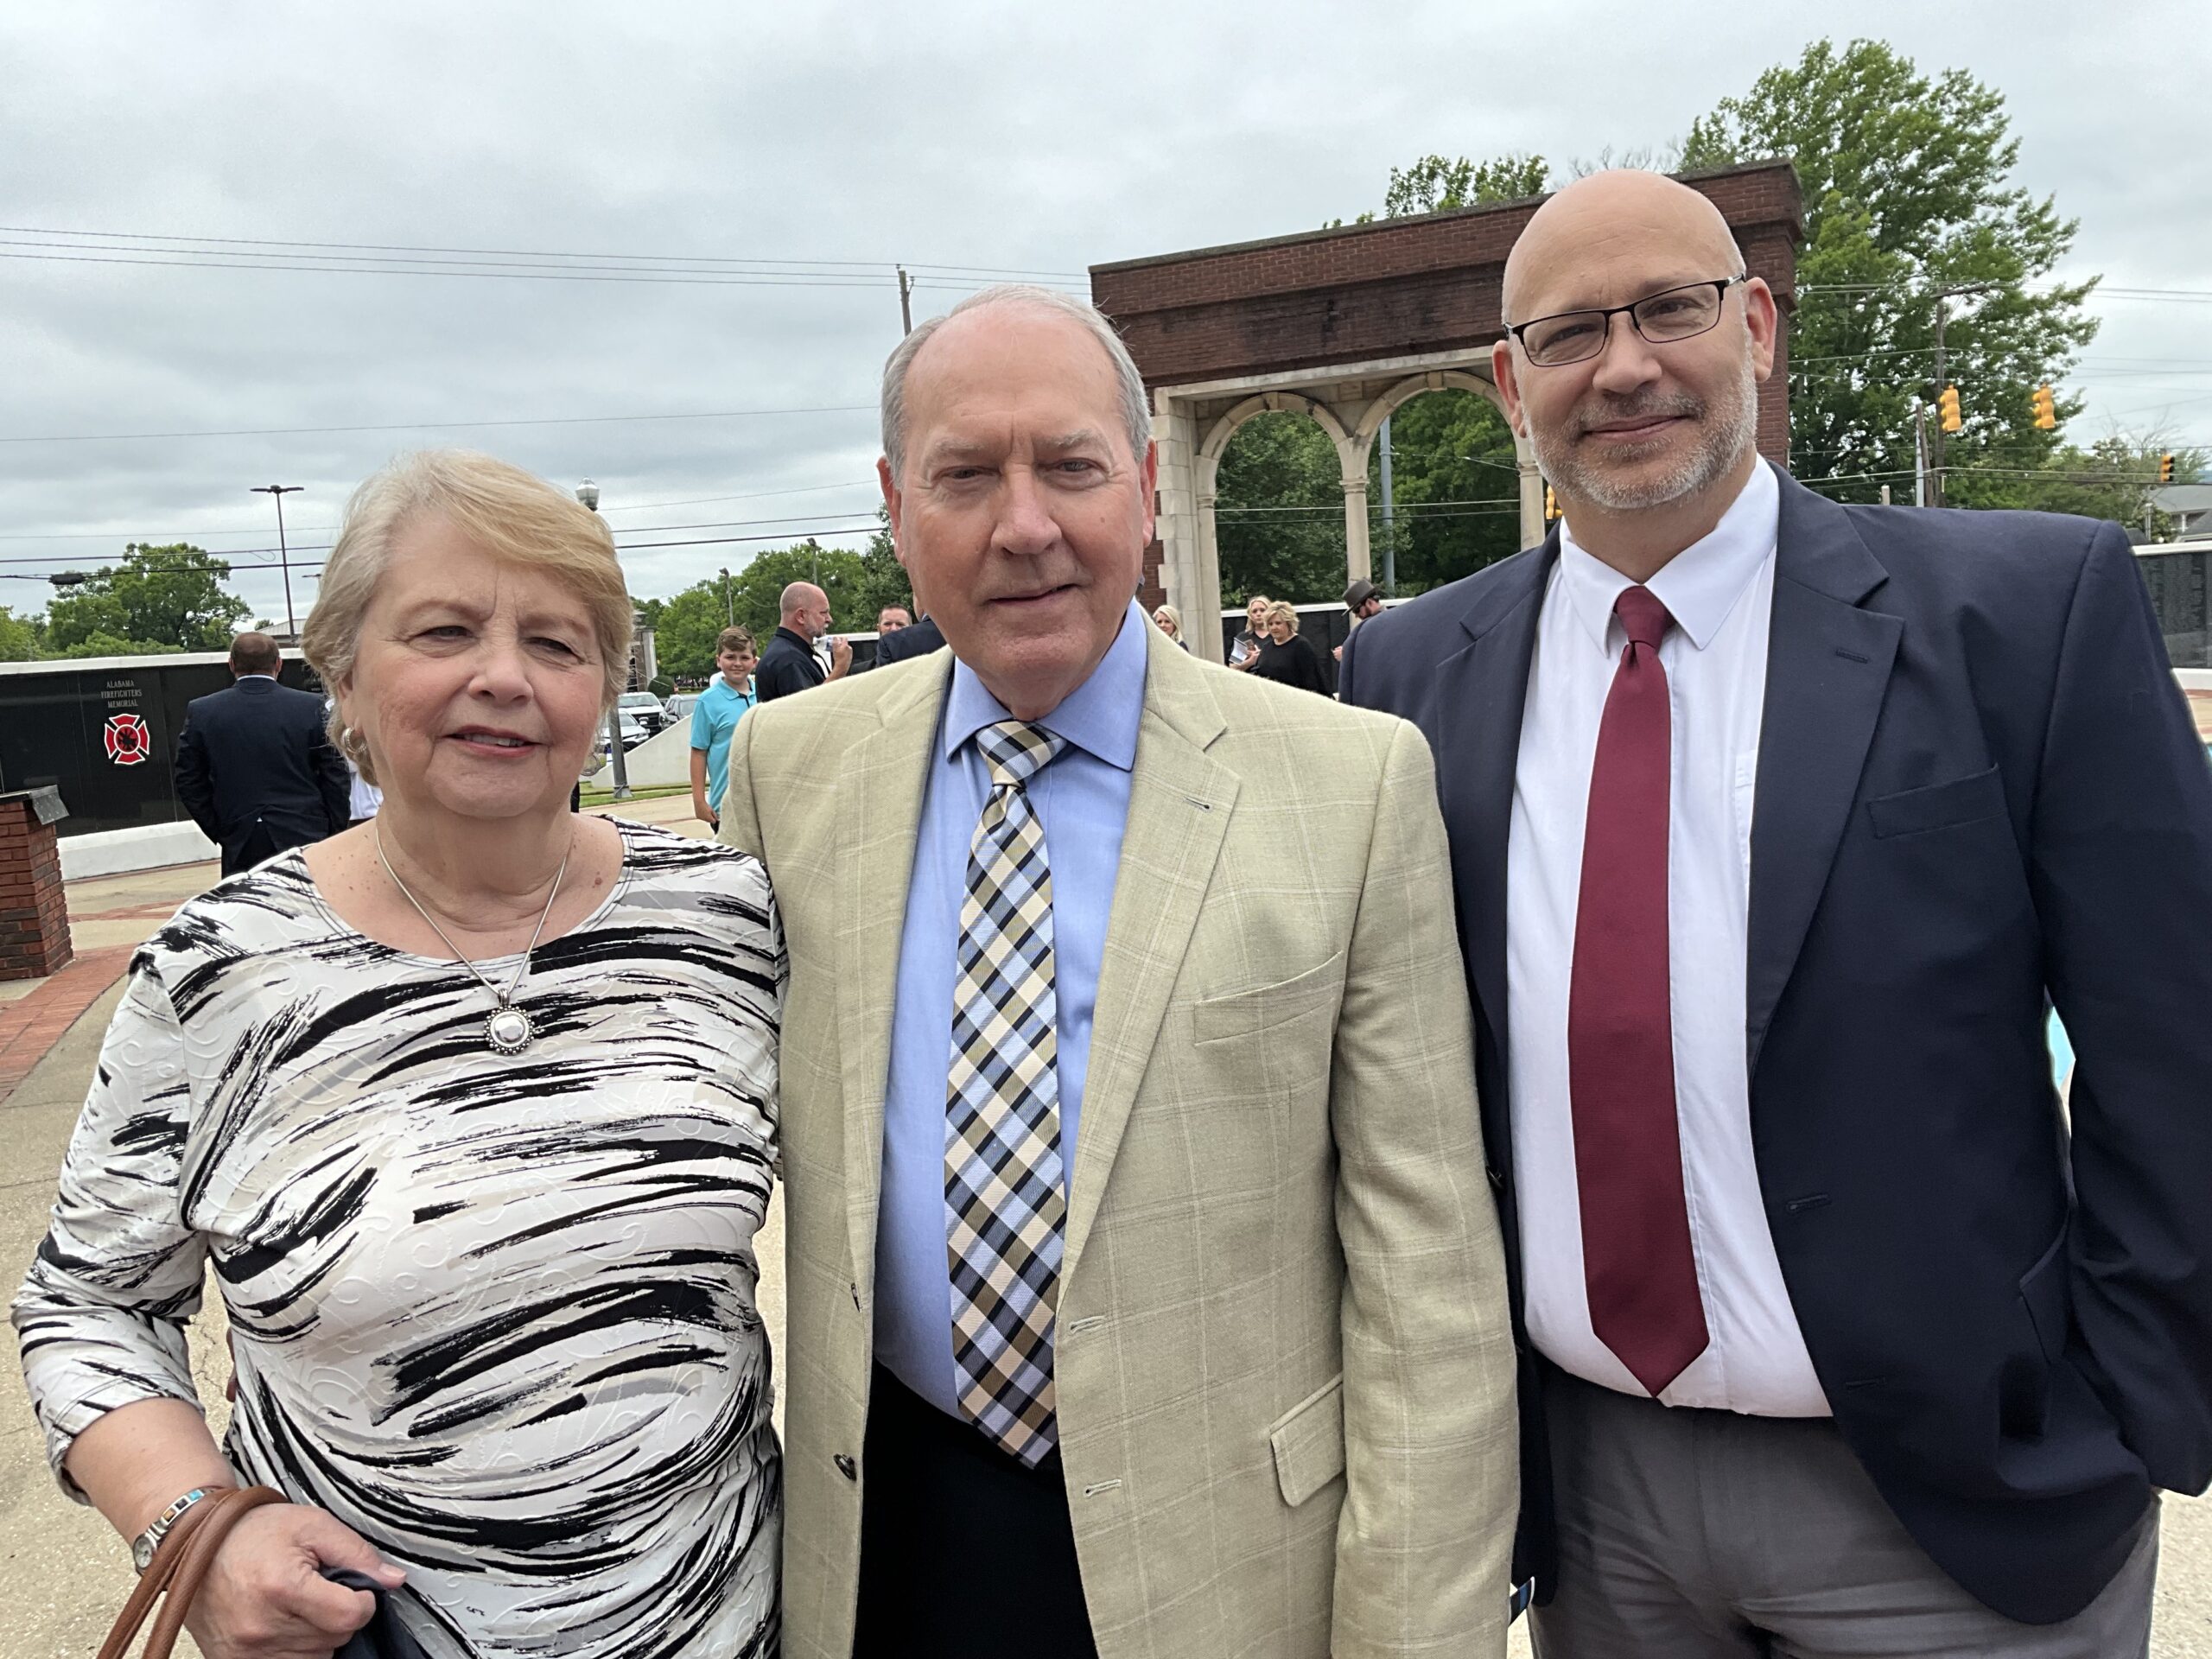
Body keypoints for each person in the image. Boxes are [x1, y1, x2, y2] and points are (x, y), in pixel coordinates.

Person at [1340, 168, 2212, 1657]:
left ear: (1754, 328)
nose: (1624, 366)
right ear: (1509, 382)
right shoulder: (1414, 676)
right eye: (1567, 335)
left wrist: (2133, 1401)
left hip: (1951, 1504)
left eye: (1669, 310)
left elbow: (2172, 1040)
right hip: (1596, 1509)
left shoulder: (2019, 613)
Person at [721, 283, 1516, 1659]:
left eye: (1072, 466)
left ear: (1147, 488)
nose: (1024, 526)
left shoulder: (1349, 782)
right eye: (966, 475)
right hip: (894, 1549)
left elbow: (1427, 1280)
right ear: (898, 509)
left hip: (1235, 1567)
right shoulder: (792, 775)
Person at [15, 449, 785, 1659]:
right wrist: (196, 1528)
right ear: (345, 677)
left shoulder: (725, 916)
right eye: (442, 631)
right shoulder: (220, 968)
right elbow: (87, 1304)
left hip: (728, 1622)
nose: (503, 677)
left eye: (556, 641)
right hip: (374, 1639)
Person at [175, 632, 351, 875]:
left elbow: (189, 780)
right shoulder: (311, 707)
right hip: (305, 831)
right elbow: (335, 775)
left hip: (241, 837)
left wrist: (221, 828)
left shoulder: (204, 712)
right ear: (278, 664)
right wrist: (330, 828)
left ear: (232, 664)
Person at [690, 625, 759, 832]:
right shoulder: (708, 702)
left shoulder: (765, 694)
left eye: (744, 657)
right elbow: (698, 753)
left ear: (754, 662)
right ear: (718, 660)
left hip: (762, 803)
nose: (737, 663)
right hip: (726, 806)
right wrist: (699, 801)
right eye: (730, 657)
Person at [756, 581, 851, 702]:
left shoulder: (787, 651)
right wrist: (840, 668)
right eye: (824, 613)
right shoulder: (790, 659)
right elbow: (809, 712)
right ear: (801, 616)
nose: (829, 619)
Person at [1246, 600, 1331, 695]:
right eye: (1270, 624)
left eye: (1278, 623)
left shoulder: (1301, 646)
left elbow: (1311, 682)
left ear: (1289, 623)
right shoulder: (1267, 647)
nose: (1274, 627)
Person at [873, 610, 946, 665]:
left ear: (911, 627)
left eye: (900, 624)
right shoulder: (862, 670)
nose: (894, 629)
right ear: (878, 628)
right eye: (887, 624)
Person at [1336, 577, 1383, 662]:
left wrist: (1346, 657)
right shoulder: (1388, 622)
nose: (1356, 616)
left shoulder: (1372, 627)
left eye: (1356, 610)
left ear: (1369, 603)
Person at [1226, 593, 1269, 670]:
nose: (1258, 614)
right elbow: (1232, 667)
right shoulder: (1243, 637)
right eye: (1254, 611)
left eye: (1262, 610)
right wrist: (1251, 660)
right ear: (1250, 615)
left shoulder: (1277, 635)